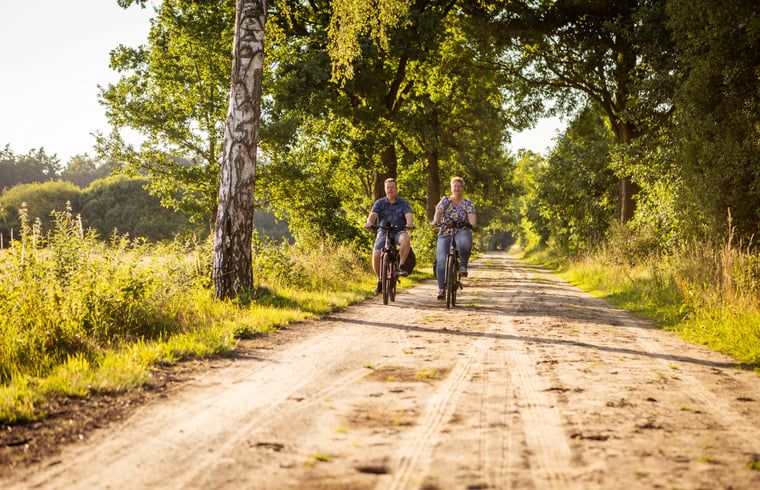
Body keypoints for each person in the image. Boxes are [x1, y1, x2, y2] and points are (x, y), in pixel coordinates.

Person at [364, 178, 415, 294]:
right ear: (385, 189)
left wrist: (410, 223)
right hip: (383, 231)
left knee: (406, 238)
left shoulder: (403, 203)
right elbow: (373, 215)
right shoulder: (379, 203)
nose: (390, 189)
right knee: (376, 254)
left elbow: (408, 215)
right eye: (388, 187)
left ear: (396, 189)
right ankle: (380, 280)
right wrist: (369, 223)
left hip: (398, 230)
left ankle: (401, 265)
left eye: (392, 187)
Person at [431, 176, 477, 300]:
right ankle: (441, 289)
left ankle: (463, 266)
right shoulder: (445, 200)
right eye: (454, 186)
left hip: (462, 229)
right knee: (441, 261)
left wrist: (472, 224)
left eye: (459, 186)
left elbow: (472, 215)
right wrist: (436, 221)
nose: (457, 188)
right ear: (451, 188)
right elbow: (439, 211)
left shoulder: (468, 203)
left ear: (463, 188)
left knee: (464, 242)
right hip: (446, 230)